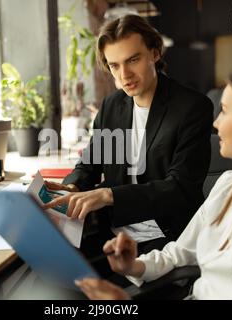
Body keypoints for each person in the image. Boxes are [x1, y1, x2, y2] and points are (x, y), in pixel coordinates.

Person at [75, 64, 232, 300]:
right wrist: (134, 265)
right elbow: (180, 253)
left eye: (224, 110)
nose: (215, 122)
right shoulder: (230, 184)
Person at [45, 15, 213, 257]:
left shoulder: (192, 108)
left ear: (155, 53)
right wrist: (72, 186)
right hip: (116, 227)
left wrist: (108, 195)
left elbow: (179, 188)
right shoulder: (113, 105)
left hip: (166, 234)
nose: (124, 75)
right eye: (114, 65)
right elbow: (90, 163)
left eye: (133, 60)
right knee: (52, 260)